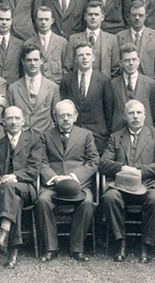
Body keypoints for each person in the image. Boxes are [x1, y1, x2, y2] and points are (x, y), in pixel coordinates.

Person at [99, 100, 155, 263]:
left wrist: (140, 171)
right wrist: (123, 168)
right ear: (125, 116)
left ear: (145, 116)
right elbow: (103, 163)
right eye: (131, 113)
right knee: (110, 198)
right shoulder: (115, 137)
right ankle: (120, 242)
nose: (135, 116)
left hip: (148, 184)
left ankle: (146, 244)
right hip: (120, 186)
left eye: (139, 113)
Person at [37, 100, 99, 262]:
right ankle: (51, 248)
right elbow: (41, 162)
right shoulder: (45, 136)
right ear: (55, 117)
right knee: (43, 201)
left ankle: (77, 248)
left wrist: (73, 177)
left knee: (86, 202)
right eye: (61, 115)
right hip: (54, 184)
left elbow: (93, 161)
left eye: (69, 115)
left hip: (79, 184)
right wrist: (56, 178)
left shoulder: (86, 135)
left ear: (75, 116)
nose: (65, 118)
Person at [0, 106, 42, 269]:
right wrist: (0, 181)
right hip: (4, 190)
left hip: (26, 188)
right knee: (13, 198)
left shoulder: (34, 140)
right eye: (9, 118)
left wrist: (15, 177)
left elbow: (34, 168)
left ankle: (3, 234)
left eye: (17, 118)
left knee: (10, 190)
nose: (13, 122)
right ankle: (13, 250)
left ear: (23, 121)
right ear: (3, 122)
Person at [60, 42, 114, 154]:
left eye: (88, 54)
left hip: (98, 136)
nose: (84, 58)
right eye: (80, 55)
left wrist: (106, 133)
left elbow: (109, 111)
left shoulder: (104, 80)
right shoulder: (67, 80)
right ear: (75, 59)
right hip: (73, 135)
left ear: (93, 58)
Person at [7, 43, 61, 134]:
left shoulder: (52, 87)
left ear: (42, 61)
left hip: (45, 137)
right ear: (23, 61)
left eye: (35, 60)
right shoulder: (13, 88)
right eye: (29, 60)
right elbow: (8, 116)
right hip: (21, 138)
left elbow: (56, 117)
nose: (32, 63)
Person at [110, 43, 155, 132]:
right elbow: (109, 112)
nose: (131, 63)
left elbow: (154, 110)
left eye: (134, 59)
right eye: (127, 60)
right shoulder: (112, 85)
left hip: (145, 134)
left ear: (139, 60)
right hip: (119, 134)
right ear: (120, 62)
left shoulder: (151, 84)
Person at [65, 1, 120, 78]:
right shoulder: (74, 39)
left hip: (103, 85)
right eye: (90, 14)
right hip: (81, 84)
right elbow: (68, 68)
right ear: (85, 17)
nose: (93, 17)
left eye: (96, 14)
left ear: (102, 17)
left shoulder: (112, 39)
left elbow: (116, 69)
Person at [116, 0, 155, 81]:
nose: (137, 18)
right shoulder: (119, 37)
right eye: (134, 15)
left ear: (146, 16)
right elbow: (117, 65)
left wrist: (154, 85)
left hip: (149, 84)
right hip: (126, 82)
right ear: (128, 16)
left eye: (140, 15)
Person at [25, 6, 68, 84]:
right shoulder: (29, 43)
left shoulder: (62, 42)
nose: (43, 22)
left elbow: (66, 69)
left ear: (52, 21)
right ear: (35, 20)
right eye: (40, 19)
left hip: (57, 87)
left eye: (46, 19)